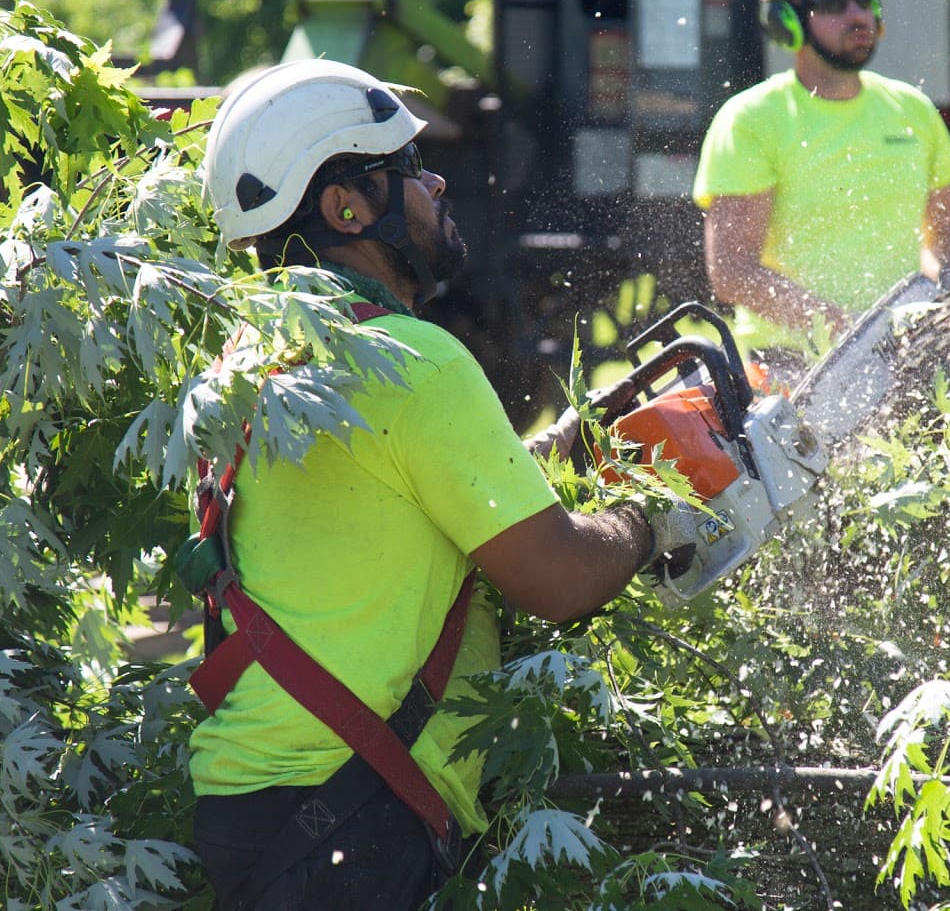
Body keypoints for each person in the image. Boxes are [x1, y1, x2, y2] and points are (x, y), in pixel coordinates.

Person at [190, 59, 697, 910]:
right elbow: (560, 580)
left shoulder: (245, 368)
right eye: (408, 170)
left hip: (259, 815)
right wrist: (648, 520)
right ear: (346, 206)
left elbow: (382, 522)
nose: (436, 182)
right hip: (356, 822)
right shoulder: (410, 362)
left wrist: (548, 457)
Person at [693, 0, 950, 342]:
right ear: (787, 21)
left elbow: (947, 243)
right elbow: (732, 270)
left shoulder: (913, 109)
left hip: (904, 356)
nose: (857, 15)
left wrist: (944, 307)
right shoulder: (753, 119)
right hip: (788, 369)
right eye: (835, 4)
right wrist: (849, 333)